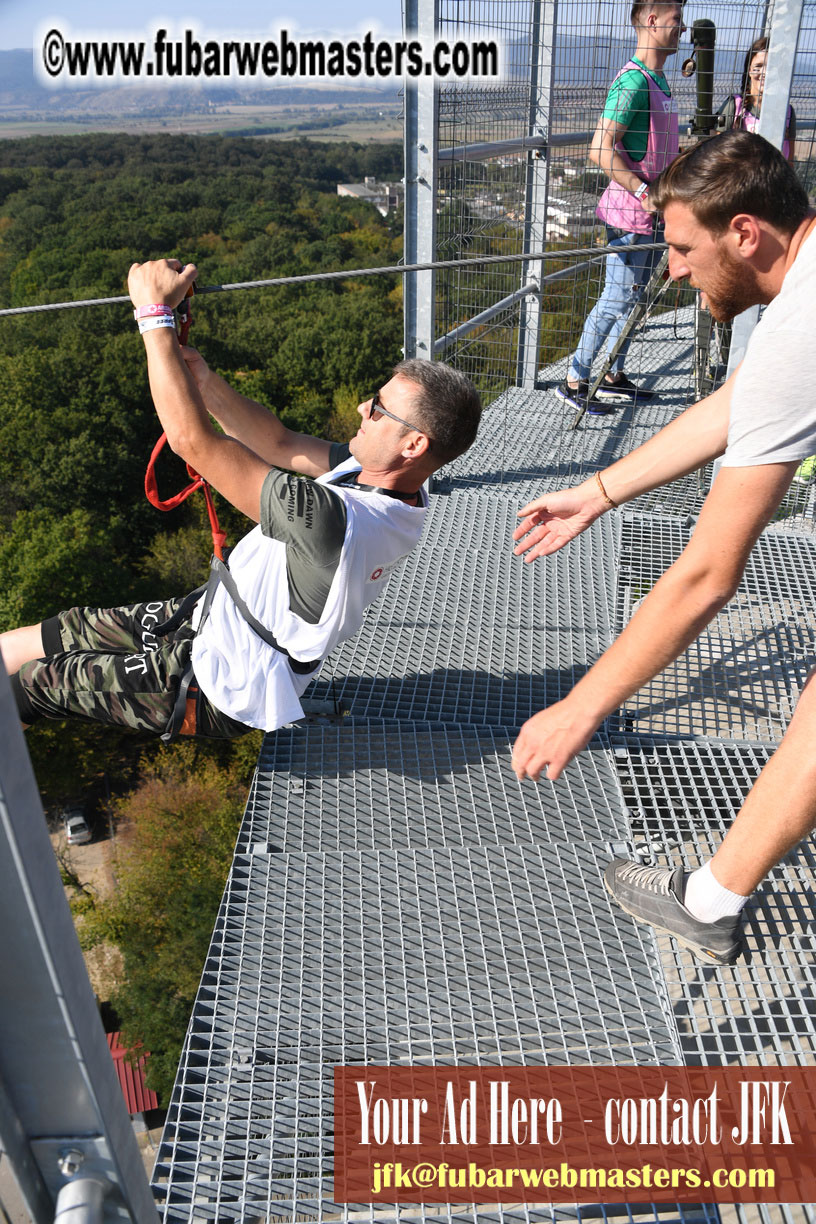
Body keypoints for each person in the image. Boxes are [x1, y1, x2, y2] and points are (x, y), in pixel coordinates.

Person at [512, 132, 816, 965]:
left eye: (684, 247)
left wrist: (582, 706)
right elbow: (741, 404)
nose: (673, 269)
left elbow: (709, 573)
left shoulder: (802, 327)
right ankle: (712, 902)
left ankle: (712, 902)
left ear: (745, 233)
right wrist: (599, 491)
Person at [2, 258, 481, 741]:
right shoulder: (391, 482)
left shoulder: (335, 523)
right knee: (66, 630)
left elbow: (193, 442)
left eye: (378, 409)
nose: (363, 408)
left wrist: (153, 317)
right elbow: (278, 443)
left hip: (216, 683)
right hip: (213, 619)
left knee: (40, 685)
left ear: (413, 444)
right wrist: (204, 383)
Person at [555, 0, 684, 416]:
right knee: (617, 298)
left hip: (653, 214)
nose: (681, 29)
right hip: (632, 215)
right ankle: (574, 379)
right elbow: (599, 148)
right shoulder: (632, 83)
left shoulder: (659, 81)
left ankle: (613, 373)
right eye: (675, 20)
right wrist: (644, 193)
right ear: (652, 21)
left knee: (635, 298)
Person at [719, 35, 796, 165]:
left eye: (771, 67)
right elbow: (716, 152)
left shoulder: (787, 112)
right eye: (758, 66)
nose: (764, 72)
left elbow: (790, 162)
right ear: (749, 70)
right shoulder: (734, 106)